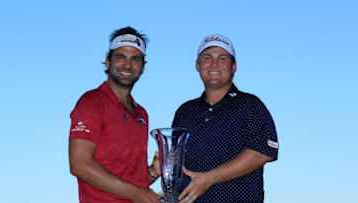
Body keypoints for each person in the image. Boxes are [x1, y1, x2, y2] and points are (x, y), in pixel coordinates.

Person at [172, 34, 279, 203]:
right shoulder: (185, 112)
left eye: (222, 58)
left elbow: (263, 152)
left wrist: (209, 178)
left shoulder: (250, 105)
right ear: (197, 66)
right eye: (207, 58)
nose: (214, 64)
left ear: (233, 66)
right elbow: (177, 161)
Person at [69, 26, 161, 203]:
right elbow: (79, 164)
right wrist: (137, 193)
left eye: (135, 59)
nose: (127, 64)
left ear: (142, 67)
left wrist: (153, 172)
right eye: (120, 57)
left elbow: (132, 185)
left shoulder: (141, 114)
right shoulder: (92, 102)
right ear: (108, 62)